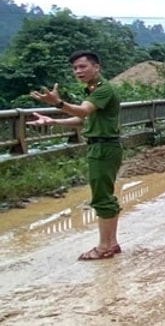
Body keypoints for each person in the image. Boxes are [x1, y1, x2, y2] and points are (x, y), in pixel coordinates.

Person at [27, 50, 124, 261]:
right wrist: (54, 122)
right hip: (102, 146)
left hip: (103, 148)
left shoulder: (103, 90)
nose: (78, 71)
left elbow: (82, 112)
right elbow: (84, 120)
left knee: (102, 197)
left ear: (96, 67)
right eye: (75, 68)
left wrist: (57, 103)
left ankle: (104, 247)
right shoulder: (91, 91)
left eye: (83, 66)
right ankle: (111, 243)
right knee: (105, 194)